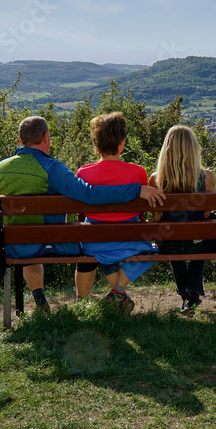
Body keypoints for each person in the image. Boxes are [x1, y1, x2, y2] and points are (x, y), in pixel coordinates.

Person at [0, 115, 165, 313]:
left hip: (15, 245)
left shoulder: (2, 167)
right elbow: (88, 194)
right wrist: (136, 190)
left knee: (30, 237)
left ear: (20, 140)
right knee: (78, 242)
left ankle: (40, 297)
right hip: (52, 242)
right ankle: (110, 295)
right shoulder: (52, 167)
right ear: (46, 138)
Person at [75, 112, 157, 313]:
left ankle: (82, 304)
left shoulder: (83, 173)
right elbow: (141, 213)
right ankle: (118, 292)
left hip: (94, 241)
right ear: (122, 142)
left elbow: (81, 213)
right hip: (130, 240)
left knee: (104, 251)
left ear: (96, 143)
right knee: (152, 252)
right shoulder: (138, 172)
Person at [149, 125, 215, 314]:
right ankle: (192, 294)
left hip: (169, 244)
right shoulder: (206, 177)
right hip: (198, 243)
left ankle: (188, 297)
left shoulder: (156, 179)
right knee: (201, 236)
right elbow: (206, 215)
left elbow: (157, 218)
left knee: (170, 237)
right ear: (193, 148)